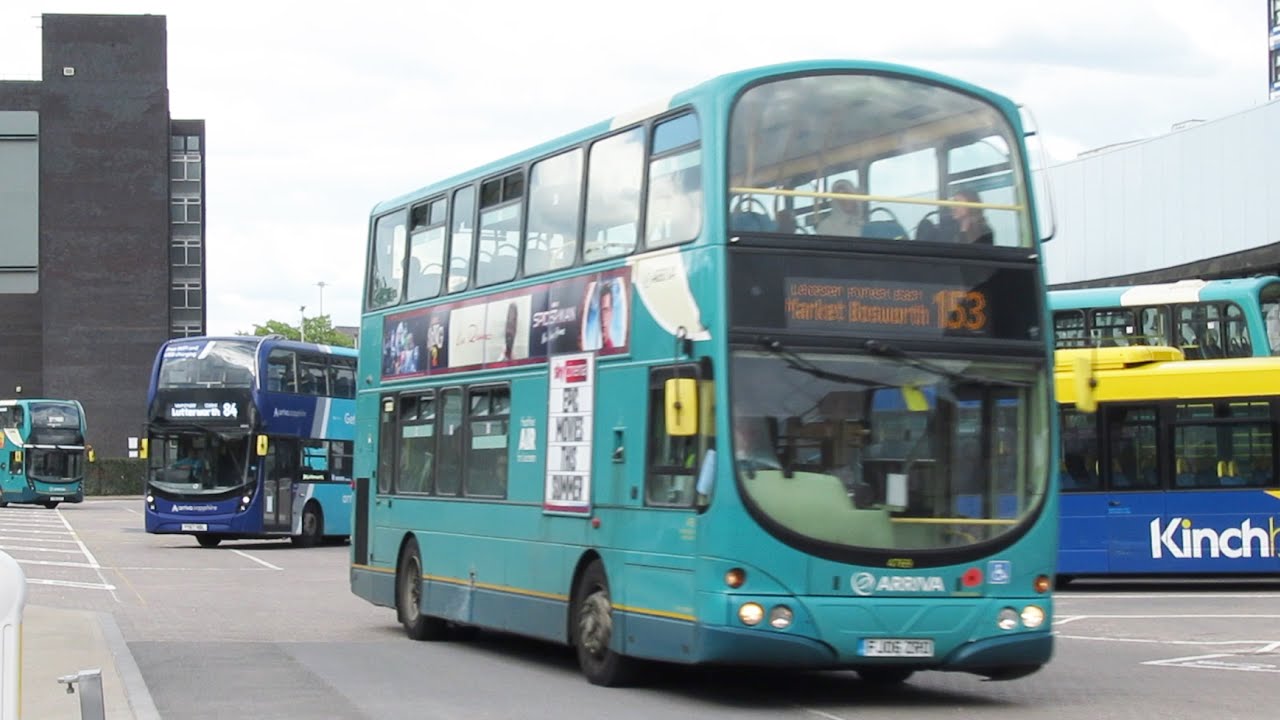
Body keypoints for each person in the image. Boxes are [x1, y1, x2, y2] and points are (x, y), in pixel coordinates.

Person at [598, 282, 616, 350]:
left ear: (611, 313)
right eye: (600, 311)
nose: (602, 317)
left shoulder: (613, 351)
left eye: (605, 310)